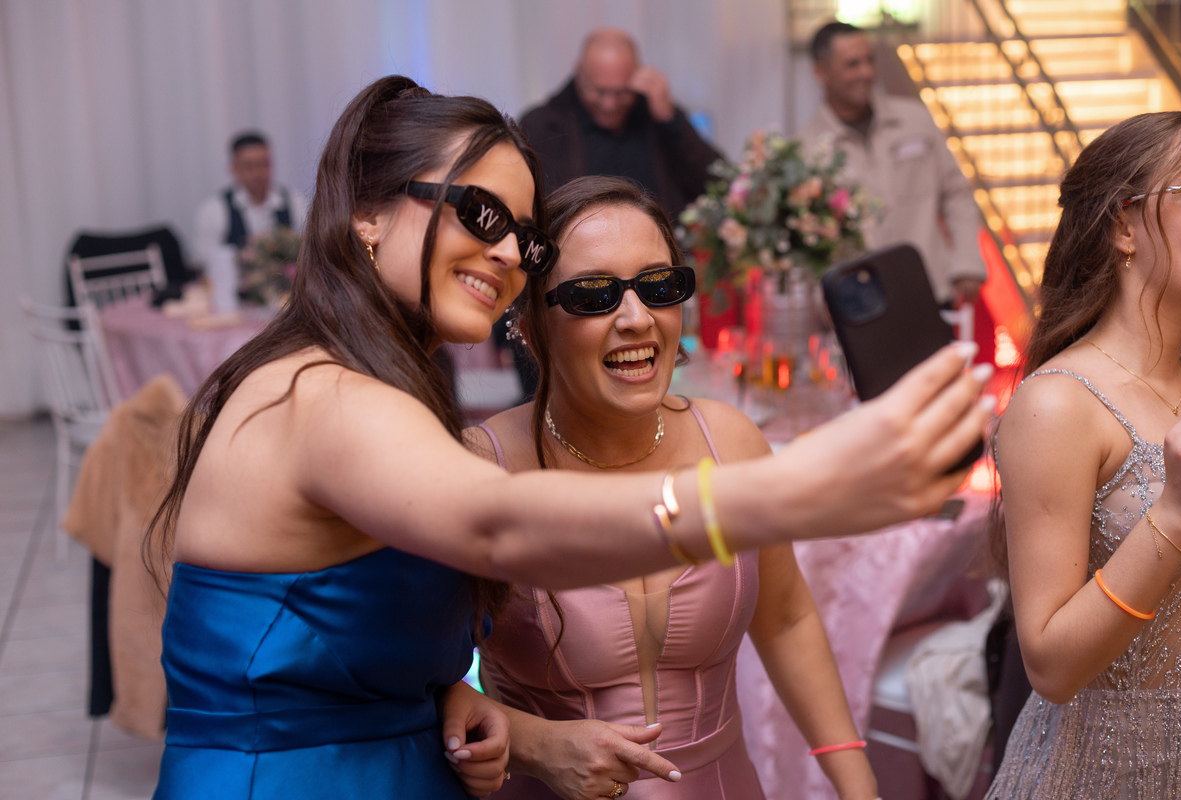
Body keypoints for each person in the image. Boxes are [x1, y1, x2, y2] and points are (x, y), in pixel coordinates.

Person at [148, 74, 991, 799]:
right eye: (480, 212)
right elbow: (501, 525)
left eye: (522, 235)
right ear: (367, 213)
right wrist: (791, 488)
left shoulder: (382, 397)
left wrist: (489, 720)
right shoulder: (322, 393)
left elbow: (372, 649)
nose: (507, 252)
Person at [466, 176, 883, 800]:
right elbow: (409, 679)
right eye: (593, 295)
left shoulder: (731, 443)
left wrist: (856, 783)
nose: (636, 319)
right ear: (531, 325)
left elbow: (786, 617)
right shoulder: (479, 467)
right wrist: (534, 744)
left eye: (659, 287)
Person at [985, 111, 1181, 798]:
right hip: (1091, 776)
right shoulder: (1059, 405)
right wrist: (1176, 512)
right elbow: (1049, 666)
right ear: (1124, 227)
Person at [798, 21, 988, 308]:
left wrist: (967, 261)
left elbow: (956, 193)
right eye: (852, 64)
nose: (866, 72)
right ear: (821, 72)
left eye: (870, 60)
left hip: (930, 291)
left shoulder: (915, 120)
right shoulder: (807, 149)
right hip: (858, 307)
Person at [520, 28, 720, 222]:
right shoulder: (542, 125)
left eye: (621, 92)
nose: (609, 104)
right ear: (579, 72)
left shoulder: (658, 117)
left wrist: (671, 121)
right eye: (598, 91)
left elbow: (718, 184)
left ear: (637, 77)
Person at [193, 131, 308, 273]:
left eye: (264, 164)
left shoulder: (295, 201)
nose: (258, 173)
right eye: (249, 166)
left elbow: (308, 250)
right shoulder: (214, 210)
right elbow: (204, 260)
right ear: (233, 168)